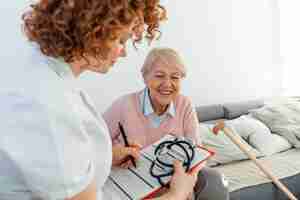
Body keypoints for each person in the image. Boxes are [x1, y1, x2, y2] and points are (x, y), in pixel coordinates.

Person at [0, 1, 204, 200]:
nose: (123, 52)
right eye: (121, 40)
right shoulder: (47, 102)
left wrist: (108, 156)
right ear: (94, 33)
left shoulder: (53, 79)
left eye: (175, 77)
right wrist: (176, 194)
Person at [103, 48, 230, 200]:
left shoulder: (184, 104)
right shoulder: (123, 104)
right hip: (129, 190)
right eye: (159, 76)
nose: (167, 84)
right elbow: (91, 149)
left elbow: (195, 153)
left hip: (175, 190)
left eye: (175, 77)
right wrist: (114, 153)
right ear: (145, 77)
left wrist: (190, 176)